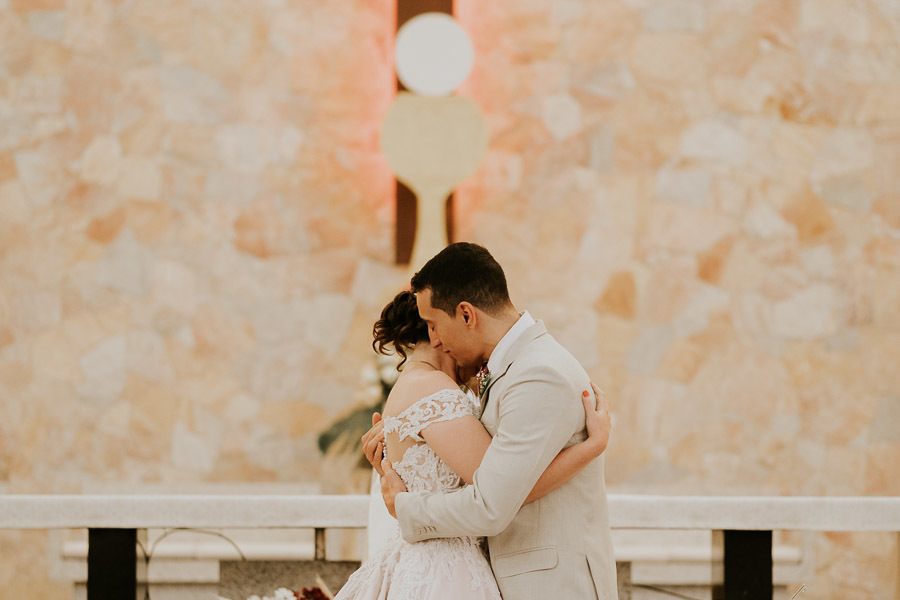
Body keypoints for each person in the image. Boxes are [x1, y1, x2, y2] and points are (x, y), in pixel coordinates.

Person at [375, 242, 618, 599]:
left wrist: (405, 507)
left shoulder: (538, 374)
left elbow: (492, 504)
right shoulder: (511, 367)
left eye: (434, 325)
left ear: (467, 314)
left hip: (552, 586)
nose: (436, 340)